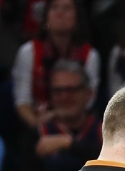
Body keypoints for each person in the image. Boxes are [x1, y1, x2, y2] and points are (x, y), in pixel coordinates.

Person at [15, 61, 102, 171]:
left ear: (89, 93)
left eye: (72, 90)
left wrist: (69, 144)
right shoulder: (37, 134)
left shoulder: (106, 131)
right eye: (58, 91)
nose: (64, 97)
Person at [11, 0, 100, 129]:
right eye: (54, 8)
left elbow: (89, 100)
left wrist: (58, 115)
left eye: (67, 8)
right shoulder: (28, 52)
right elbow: (23, 102)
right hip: (37, 122)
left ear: (77, 17)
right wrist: (39, 125)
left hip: (77, 122)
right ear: (46, 16)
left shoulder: (90, 55)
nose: (60, 13)